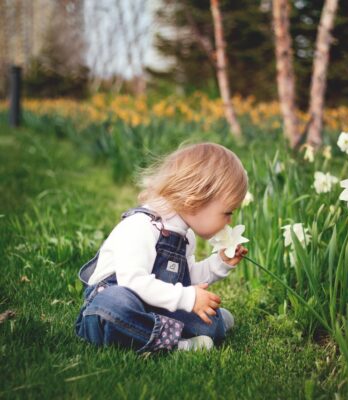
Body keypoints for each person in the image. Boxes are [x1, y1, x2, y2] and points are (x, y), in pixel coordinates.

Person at [74, 142, 249, 353]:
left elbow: (186, 278)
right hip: (116, 304)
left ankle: (201, 325)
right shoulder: (141, 226)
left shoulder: (185, 236)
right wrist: (187, 298)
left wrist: (220, 263)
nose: (229, 221)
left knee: (210, 321)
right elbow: (133, 282)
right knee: (114, 306)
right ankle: (176, 345)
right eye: (227, 212)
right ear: (195, 201)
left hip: (154, 305)